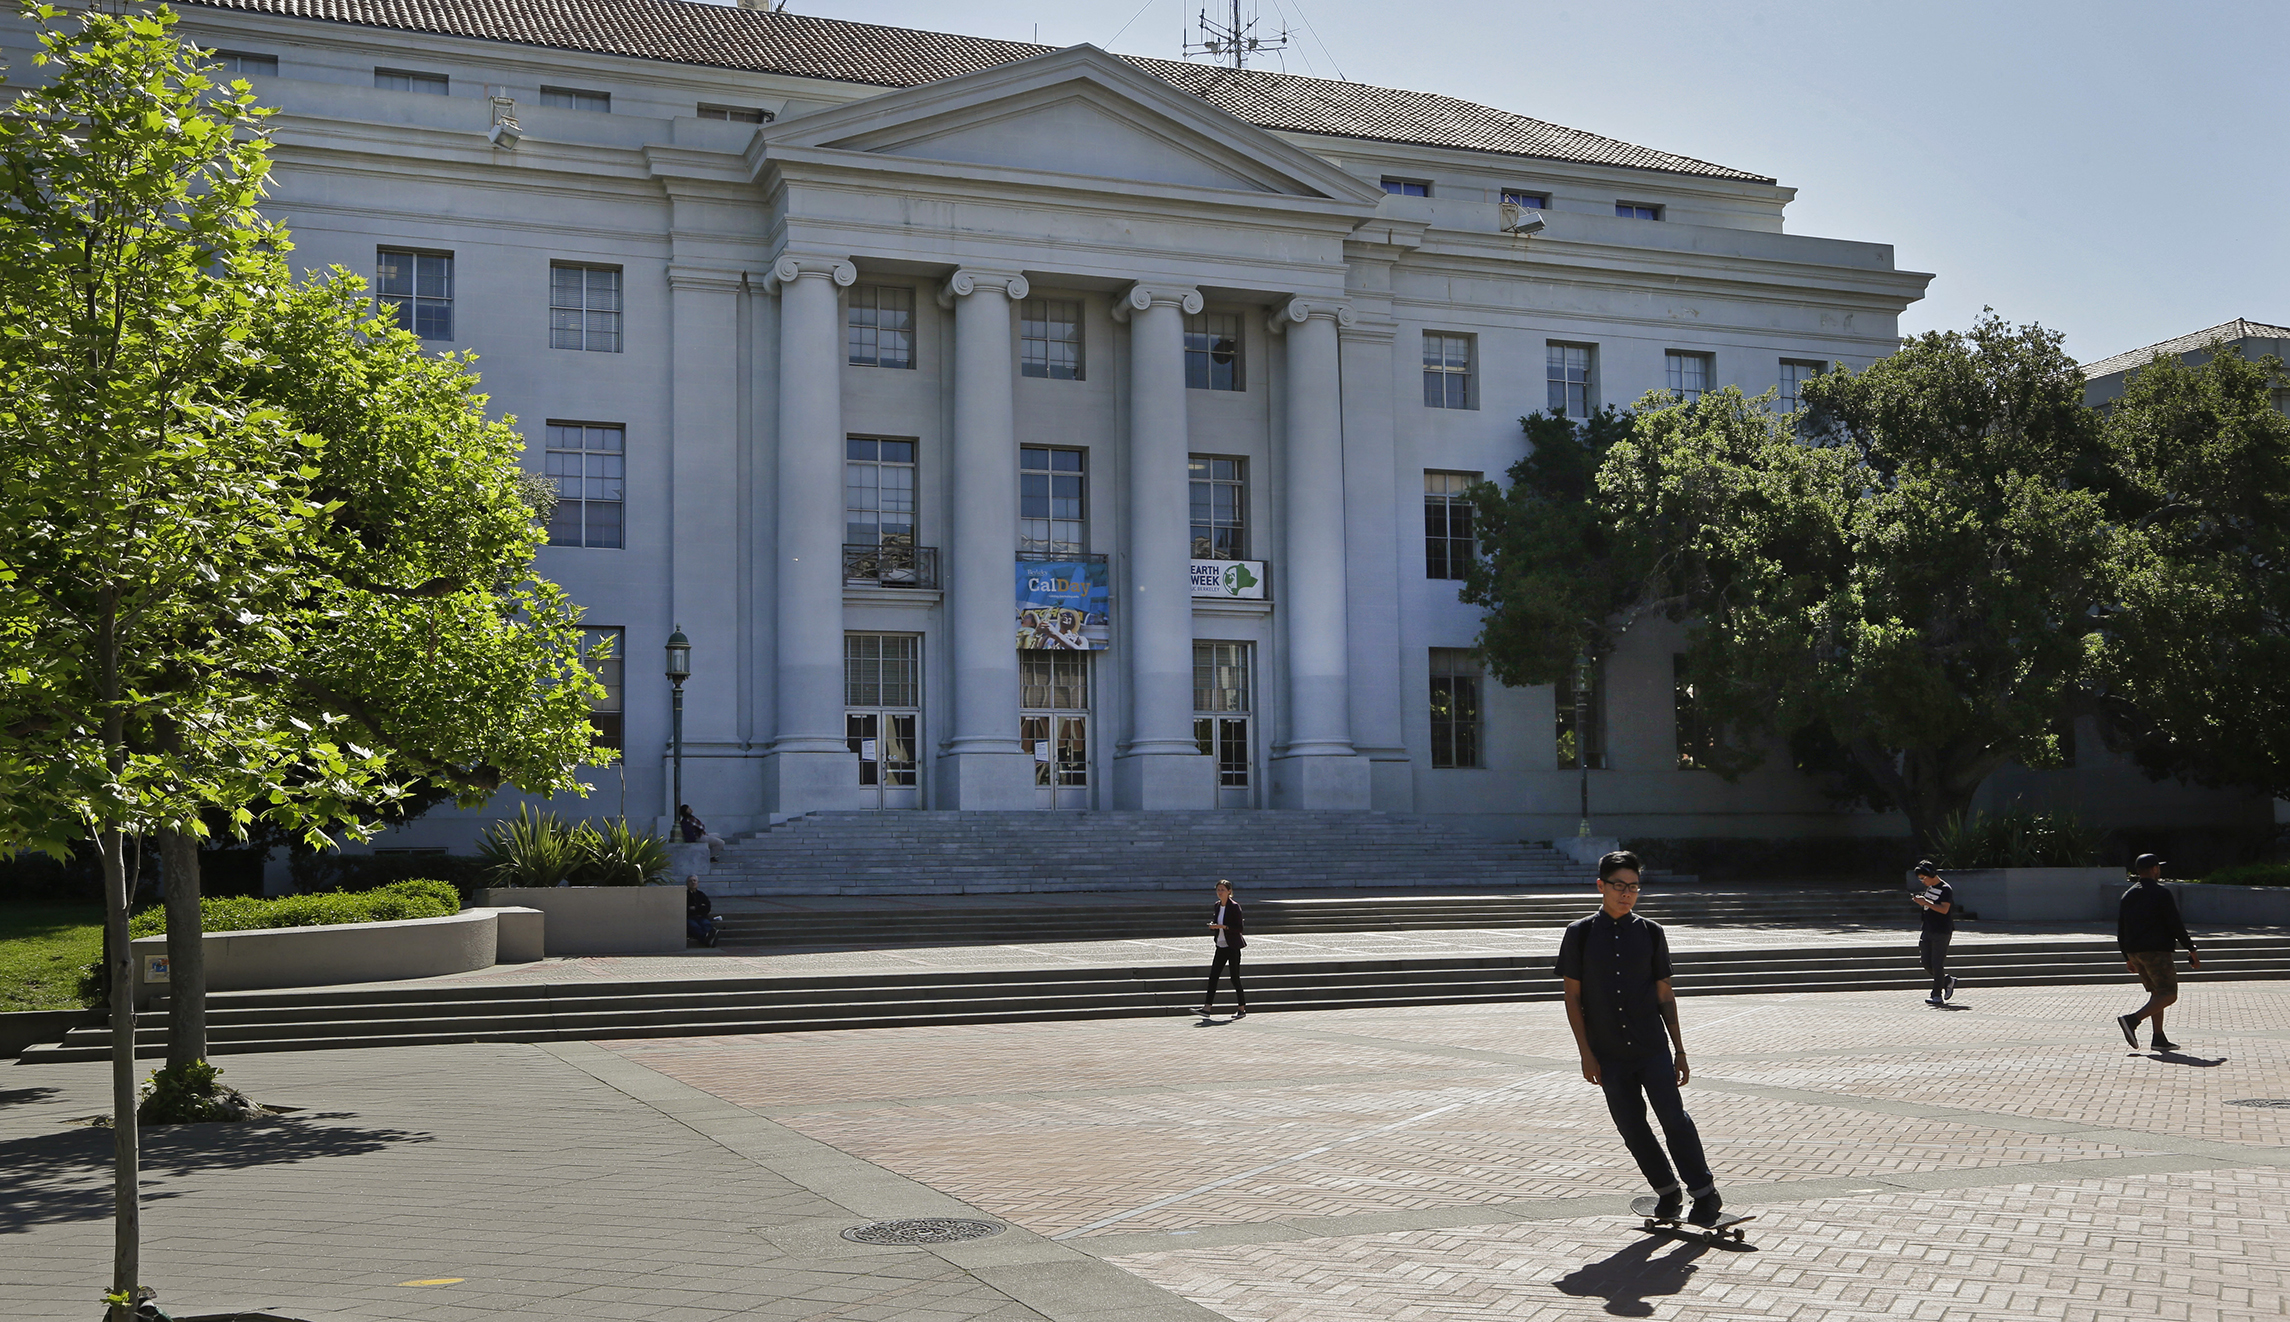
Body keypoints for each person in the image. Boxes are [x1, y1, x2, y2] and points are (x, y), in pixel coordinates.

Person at [1558, 850, 1723, 1227]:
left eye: (1633, 886)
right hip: (1609, 1053)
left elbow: (1665, 993)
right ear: (1601, 886)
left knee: (1674, 1119)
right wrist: (1585, 1053)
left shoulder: (1651, 932)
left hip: (1651, 1047)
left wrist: (1679, 1050)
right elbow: (1572, 997)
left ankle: (1704, 1194)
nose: (1627, 893)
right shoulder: (1579, 933)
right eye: (1619, 885)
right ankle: (1666, 1191)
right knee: (1631, 1126)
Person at [2116, 853, 2199, 1052]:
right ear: (2154, 869)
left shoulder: (2128, 895)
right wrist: (2191, 948)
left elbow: (2121, 928)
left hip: (2135, 951)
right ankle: (2132, 1020)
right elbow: (2175, 924)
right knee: (2169, 994)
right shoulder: (2161, 893)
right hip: (2156, 951)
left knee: (2156, 993)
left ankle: (2158, 1037)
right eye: (2158, 867)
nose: (2159, 871)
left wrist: (2127, 957)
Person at [1196, 878, 1247, 1019]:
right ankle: (1207, 1008)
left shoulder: (1234, 906)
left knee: (1234, 977)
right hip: (1221, 945)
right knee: (1213, 976)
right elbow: (1218, 921)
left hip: (1233, 946)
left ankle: (1241, 1009)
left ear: (1229, 892)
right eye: (1218, 890)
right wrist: (1214, 926)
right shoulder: (1217, 905)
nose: (1220, 892)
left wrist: (1223, 927)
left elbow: (1239, 928)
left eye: (1222, 890)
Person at [1910, 860, 1957, 1005]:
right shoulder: (1930, 888)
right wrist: (1921, 901)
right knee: (1925, 962)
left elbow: (1944, 909)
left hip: (1941, 930)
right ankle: (1947, 980)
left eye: (1923, 878)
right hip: (1927, 929)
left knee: (1937, 963)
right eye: (1920, 879)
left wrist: (1926, 902)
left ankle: (1937, 995)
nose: (1922, 882)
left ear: (1931, 875)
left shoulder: (1945, 888)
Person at [685, 874, 717, 947]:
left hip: (701, 916)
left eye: (694, 881)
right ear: (687, 883)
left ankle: (709, 936)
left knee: (706, 924)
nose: (693, 882)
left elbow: (707, 907)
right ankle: (707, 939)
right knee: (695, 927)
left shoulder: (701, 894)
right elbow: (686, 908)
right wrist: (700, 907)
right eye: (690, 881)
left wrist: (695, 908)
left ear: (697, 883)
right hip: (690, 917)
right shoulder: (684, 894)